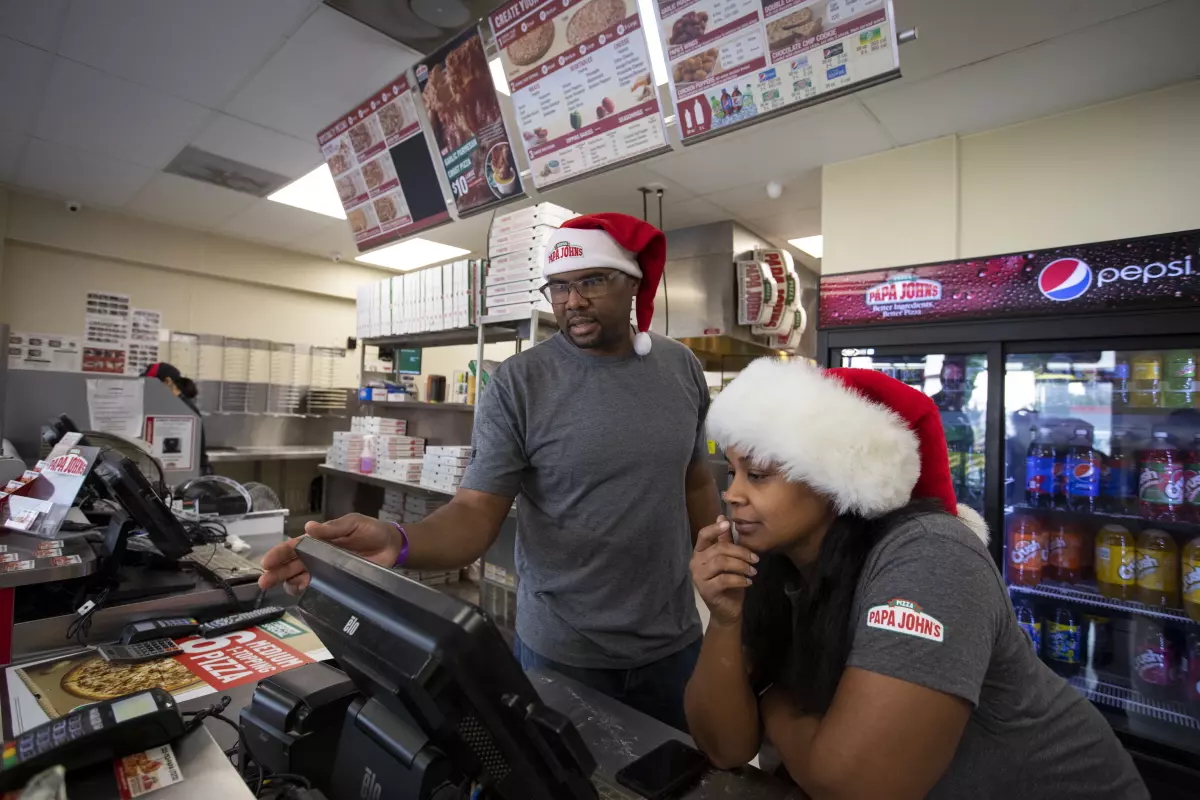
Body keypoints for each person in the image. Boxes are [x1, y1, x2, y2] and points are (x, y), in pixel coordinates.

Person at [260, 213, 719, 731]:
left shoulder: (680, 368)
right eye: (559, 287)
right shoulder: (520, 383)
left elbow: (696, 480)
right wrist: (399, 540)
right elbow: (475, 511)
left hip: (674, 639)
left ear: (632, 282)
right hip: (565, 649)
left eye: (592, 280)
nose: (573, 301)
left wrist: (724, 583)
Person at [685, 359, 1147, 799]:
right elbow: (724, 748)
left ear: (835, 478)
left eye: (759, 474)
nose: (733, 494)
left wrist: (770, 700)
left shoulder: (932, 555)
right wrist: (725, 621)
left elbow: (860, 787)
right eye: (734, 471)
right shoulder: (773, 560)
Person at [142, 362, 212, 475]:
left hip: (189, 475)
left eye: (151, 384)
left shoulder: (182, 408)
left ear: (168, 382)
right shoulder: (172, 404)